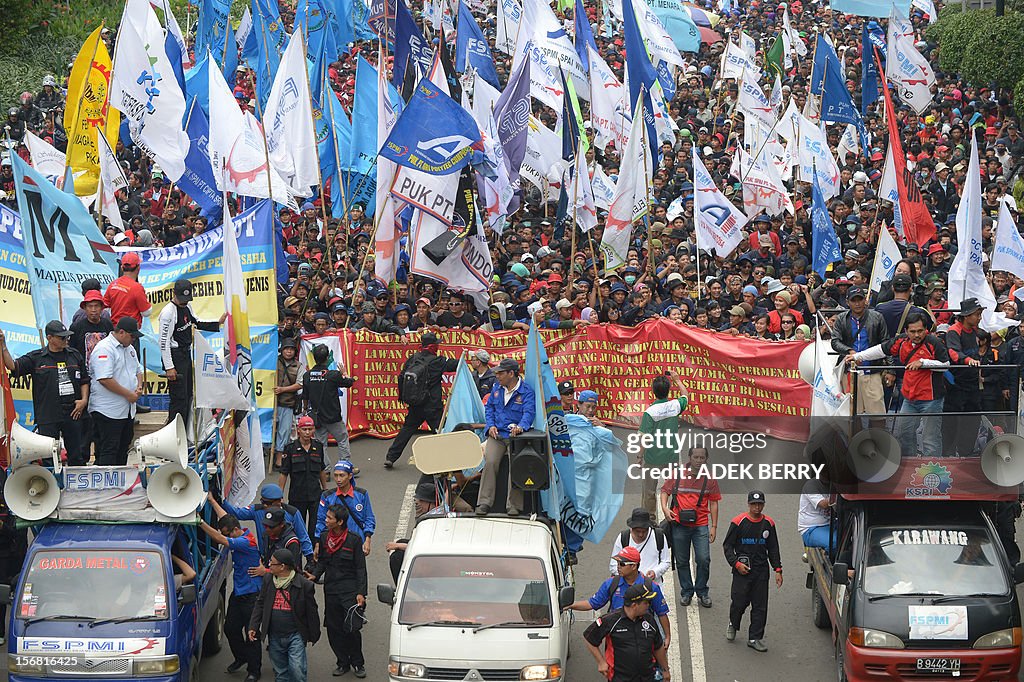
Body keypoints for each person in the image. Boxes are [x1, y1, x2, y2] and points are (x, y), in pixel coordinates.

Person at [845, 312, 950, 456]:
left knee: (930, 439)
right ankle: (910, 470)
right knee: (904, 435)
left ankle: (933, 471)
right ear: (906, 331)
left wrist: (924, 363)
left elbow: (945, 364)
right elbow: (881, 349)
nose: (917, 335)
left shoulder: (934, 342)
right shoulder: (900, 341)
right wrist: (858, 356)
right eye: (912, 331)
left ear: (926, 329)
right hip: (909, 398)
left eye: (920, 331)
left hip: (931, 400)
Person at [0, 321, 89, 465]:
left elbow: (85, 380)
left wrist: (84, 400)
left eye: (67, 337)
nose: (65, 340)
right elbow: (12, 366)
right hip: (48, 414)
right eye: (61, 338)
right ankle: (52, 485)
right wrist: (3, 345)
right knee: (48, 455)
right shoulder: (37, 357)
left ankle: (77, 486)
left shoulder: (74, 355)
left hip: (73, 412)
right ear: (49, 338)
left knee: (77, 455)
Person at [566, 546, 672, 652]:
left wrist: (667, 636)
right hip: (617, 637)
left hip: (643, 635)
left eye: (622, 564)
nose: (618, 567)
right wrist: (570, 605)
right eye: (617, 563)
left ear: (634, 566)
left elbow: (661, 613)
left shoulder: (651, 586)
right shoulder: (611, 583)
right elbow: (592, 603)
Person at [198, 513, 262, 682]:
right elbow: (223, 519)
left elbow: (219, 538)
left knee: (251, 634)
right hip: (239, 592)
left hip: (251, 595)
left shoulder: (246, 542)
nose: (225, 536)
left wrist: (200, 522)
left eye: (227, 533)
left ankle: (254, 670)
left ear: (235, 530)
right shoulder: (237, 536)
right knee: (230, 629)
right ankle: (242, 657)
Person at [157, 278, 226, 430]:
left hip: (186, 355)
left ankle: (184, 434)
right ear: (174, 294)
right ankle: (173, 435)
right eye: (181, 299)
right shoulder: (168, 313)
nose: (183, 302)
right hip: (175, 357)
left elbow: (197, 322)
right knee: (179, 399)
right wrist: (169, 367)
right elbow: (163, 342)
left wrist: (218, 323)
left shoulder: (187, 307)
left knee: (188, 396)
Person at [384, 333, 460, 468]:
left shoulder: (413, 358)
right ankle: (450, 459)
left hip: (415, 403)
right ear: (433, 346)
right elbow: (456, 364)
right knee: (440, 431)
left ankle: (391, 457)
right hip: (432, 405)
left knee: (407, 429)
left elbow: (402, 377)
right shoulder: (438, 361)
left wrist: (404, 397)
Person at [309, 503, 368, 678]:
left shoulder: (354, 540)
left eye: (329, 518)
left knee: (352, 628)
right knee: (334, 629)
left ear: (340, 522)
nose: (325, 520)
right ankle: (342, 662)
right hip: (331, 590)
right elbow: (323, 562)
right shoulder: (324, 537)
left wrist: (361, 593)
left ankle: (358, 663)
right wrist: (314, 575)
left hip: (349, 592)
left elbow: (360, 569)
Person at [722, 491, 783, 653]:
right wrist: (736, 564)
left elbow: (773, 548)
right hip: (742, 572)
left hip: (761, 572)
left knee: (760, 606)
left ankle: (755, 637)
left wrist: (778, 569)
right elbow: (727, 546)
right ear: (748, 504)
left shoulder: (769, 523)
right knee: (739, 603)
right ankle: (733, 624)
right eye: (754, 504)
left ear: (763, 505)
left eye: (760, 504)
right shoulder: (738, 522)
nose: (757, 507)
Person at [660, 447, 721, 607]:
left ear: (706, 459)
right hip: (679, 524)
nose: (699, 460)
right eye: (696, 457)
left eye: (702, 457)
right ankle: (686, 591)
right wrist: (665, 509)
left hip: (700, 525)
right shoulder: (677, 475)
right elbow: (665, 491)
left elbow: (714, 503)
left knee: (703, 559)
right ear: (689, 458)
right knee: (682, 560)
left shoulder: (710, 479)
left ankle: (702, 591)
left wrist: (714, 526)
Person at [248, 549, 321, 682]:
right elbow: (260, 603)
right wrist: (253, 626)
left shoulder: (304, 585)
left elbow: (312, 612)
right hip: (275, 636)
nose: (269, 565)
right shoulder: (268, 580)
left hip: (295, 635)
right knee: (281, 673)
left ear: (282, 567)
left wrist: (314, 634)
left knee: (297, 670)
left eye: (272, 563)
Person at [476, 358, 536, 516]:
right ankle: (484, 503)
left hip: (516, 437)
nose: (497, 376)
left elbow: (529, 413)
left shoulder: (526, 391)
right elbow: (489, 409)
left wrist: (521, 427)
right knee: (490, 463)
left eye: (501, 373)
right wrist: (490, 426)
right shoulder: (496, 388)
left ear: (511, 373)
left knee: (515, 466)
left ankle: (513, 505)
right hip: (497, 435)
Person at [209, 485, 315, 568]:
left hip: (288, 560)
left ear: (279, 501)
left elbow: (303, 536)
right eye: (263, 502)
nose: (264, 505)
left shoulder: (292, 513)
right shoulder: (257, 510)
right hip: (268, 560)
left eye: (268, 503)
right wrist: (221, 500)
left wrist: (310, 558)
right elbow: (237, 514)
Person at [583, 583, 671, 682]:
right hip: (620, 678)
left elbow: (658, 646)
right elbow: (589, 638)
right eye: (646, 602)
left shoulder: (649, 620)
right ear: (634, 605)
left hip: (648, 678)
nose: (649, 605)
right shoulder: (611, 620)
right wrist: (601, 662)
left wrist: (665, 670)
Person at [88, 317, 144, 466]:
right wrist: (128, 394)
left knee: (123, 447)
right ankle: (105, 487)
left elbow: (138, 370)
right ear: (121, 332)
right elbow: (104, 379)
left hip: (126, 410)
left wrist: (139, 386)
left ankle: (120, 484)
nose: (133, 339)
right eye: (131, 336)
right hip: (108, 410)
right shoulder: (104, 348)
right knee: (108, 450)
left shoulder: (129, 348)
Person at [831, 287, 890, 427]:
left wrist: (890, 370)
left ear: (866, 300)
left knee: (877, 414)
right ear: (847, 302)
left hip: (872, 371)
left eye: (860, 299)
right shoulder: (841, 318)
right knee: (852, 414)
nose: (857, 303)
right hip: (850, 372)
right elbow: (835, 341)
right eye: (854, 300)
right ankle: (856, 445)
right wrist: (849, 350)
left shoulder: (877, 317)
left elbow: (886, 343)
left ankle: (877, 444)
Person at [637, 371, 690, 515]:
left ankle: (650, 519)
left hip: (653, 458)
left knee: (649, 490)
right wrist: (678, 380)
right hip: (671, 457)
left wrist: (639, 456)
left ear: (653, 391)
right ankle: (674, 515)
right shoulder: (675, 405)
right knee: (673, 488)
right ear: (668, 390)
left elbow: (645, 438)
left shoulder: (650, 412)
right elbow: (685, 395)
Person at [302, 343, 357, 471]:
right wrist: (344, 373)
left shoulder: (307, 375)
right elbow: (349, 383)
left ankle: (325, 470)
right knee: (342, 439)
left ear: (314, 358)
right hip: (333, 416)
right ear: (327, 358)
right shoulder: (333, 374)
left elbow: (305, 396)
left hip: (317, 417)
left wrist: (305, 411)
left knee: (321, 444)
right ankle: (345, 467)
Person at [943, 298, 985, 456]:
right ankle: (948, 453)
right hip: (956, 384)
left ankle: (966, 452)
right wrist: (970, 361)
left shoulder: (974, 330)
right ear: (967, 316)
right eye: (977, 314)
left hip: (972, 383)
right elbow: (953, 353)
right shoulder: (954, 330)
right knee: (952, 422)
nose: (979, 317)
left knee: (972, 419)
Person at [279, 415, 327, 541]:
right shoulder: (290, 449)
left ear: (314, 430)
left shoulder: (319, 447)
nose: (307, 432)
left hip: (315, 496)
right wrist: (280, 495)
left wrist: (325, 490)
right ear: (298, 430)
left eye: (310, 429)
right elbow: (284, 473)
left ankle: (313, 558)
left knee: (315, 529)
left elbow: (322, 469)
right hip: (297, 497)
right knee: (297, 530)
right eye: (304, 429)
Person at [315, 461, 375, 557]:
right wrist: (318, 543)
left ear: (350, 476)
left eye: (342, 475)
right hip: (333, 543)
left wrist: (367, 540)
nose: (338, 479)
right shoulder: (327, 496)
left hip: (356, 543)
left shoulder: (362, 494)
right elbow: (321, 520)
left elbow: (369, 518)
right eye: (336, 475)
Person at [608, 508, 672, 583]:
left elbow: (666, 561)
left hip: (652, 587)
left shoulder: (659, 536)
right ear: (632, 528)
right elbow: (613, 564)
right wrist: (630, 576)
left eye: (644, 531)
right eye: (637, 531)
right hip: (628, 587)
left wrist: (655, 572)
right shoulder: (623, 537)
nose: (641, 534)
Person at [274, 338, 302, 469]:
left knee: (283, 431)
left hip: (287, 402)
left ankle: (279, 457)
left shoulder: (298, 366)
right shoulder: (274, 361)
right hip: (271, 402)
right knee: (269, 429)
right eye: (286, 349)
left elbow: (299, 384)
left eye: (291, 349)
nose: (289, 352)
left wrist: (282, 390)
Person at [797, 478, 835, 550]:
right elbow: (823, 504)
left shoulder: (836, 484)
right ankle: (828, 558)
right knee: (834, 544)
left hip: (832, 523)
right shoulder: (811, 485)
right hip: (812, 528)